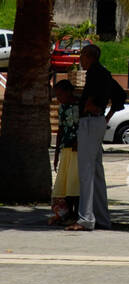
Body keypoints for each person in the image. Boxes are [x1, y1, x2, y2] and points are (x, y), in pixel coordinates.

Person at [66, 44, 126, 232]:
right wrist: (106, 116)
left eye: (82, 56)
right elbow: (120, 95)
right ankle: (101, 218)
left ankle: (85, 219)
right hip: (98, 122)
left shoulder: (94, 73)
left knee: (86, 171)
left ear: (88, 56)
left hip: (91, 122)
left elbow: (97, 97)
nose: (80, 61)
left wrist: (90, 106)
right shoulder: (105, 73)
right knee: (97, 172)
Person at [50, 79, 79, 226]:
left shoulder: (80, 106)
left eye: (60, 94)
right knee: (65, 182)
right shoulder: (62, 108)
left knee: (75, 182)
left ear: (68, 92)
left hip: (77, 149)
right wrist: (56, 153)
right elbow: (61, 129)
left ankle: (76, 214)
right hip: (66, 148)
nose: (58, 97)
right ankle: (65, 214)